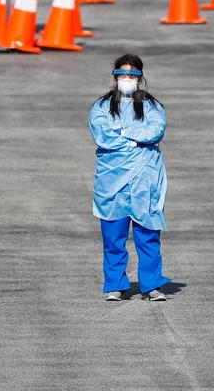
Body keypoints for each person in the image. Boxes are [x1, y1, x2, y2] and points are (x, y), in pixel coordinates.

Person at [89, 53, 170, 302]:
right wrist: (135, 138)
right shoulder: (101, 107)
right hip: (112, 182)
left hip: (145, 180)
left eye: (132, 75)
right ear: (115, 76)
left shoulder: (152, 106)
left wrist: (123, 132)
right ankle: (114, 285)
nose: (127, 79)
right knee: (113, 238)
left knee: (148, 237)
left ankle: (151, 285)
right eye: (122, 74)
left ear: (140, 77)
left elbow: (155, 130)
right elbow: (102, 135)